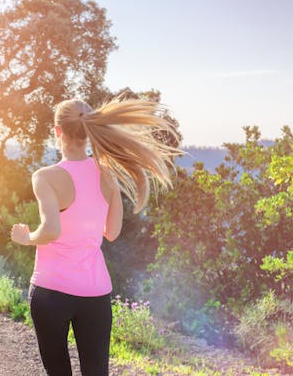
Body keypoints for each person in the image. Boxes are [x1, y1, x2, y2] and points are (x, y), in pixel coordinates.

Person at [10, 97, 180, 376]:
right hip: (95, 292)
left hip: (51, 291)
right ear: (90, 132)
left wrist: (25, 237)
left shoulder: (45, 176)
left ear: (57, 130)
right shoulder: (109, 174)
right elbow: (111, 233)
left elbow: (51, 230)